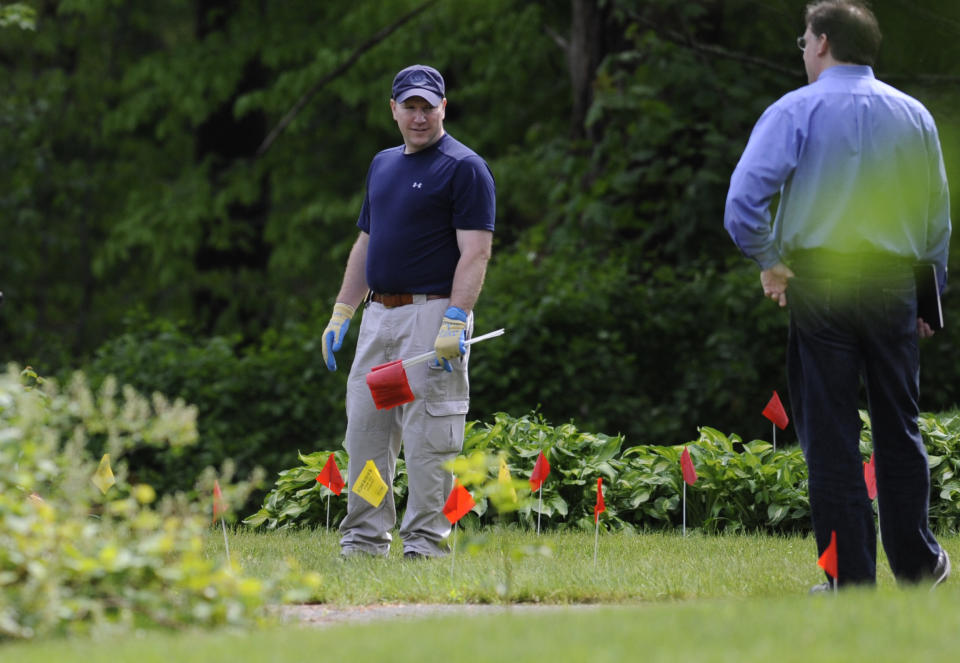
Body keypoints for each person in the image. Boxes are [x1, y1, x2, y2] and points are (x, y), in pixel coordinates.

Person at [724, 0, 951, 590]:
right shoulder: (914, 115)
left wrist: (771, 262)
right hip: (892, 284)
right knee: (899, 426)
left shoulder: (793, 111)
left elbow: (742, 205)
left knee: (830, 433)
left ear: (823, 42)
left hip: (820, 284)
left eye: (803, 41)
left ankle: (849, 581)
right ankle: (919, 567)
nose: (802, 51)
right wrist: (928, 301)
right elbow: (935, 223)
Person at [321, 64, 496, 558]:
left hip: (432, 316)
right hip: (380, 319)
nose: (419, 117)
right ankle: (364, 541)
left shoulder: (464, 167)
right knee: (368, 431)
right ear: (393, 109)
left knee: (429, 436)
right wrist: (342, 312)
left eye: (428, 107)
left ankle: (425, 545)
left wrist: (456, 320)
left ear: (444, 107)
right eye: (410, 107)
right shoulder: (382, 164)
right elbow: (367, 242)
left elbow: (476, 252)